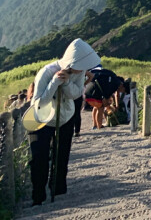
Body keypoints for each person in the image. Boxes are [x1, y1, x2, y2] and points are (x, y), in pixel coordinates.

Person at [27, 38, 101, 206]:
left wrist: (66, 82)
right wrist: (55, 82)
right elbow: (39, 103)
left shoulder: (79, 72)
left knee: (62, 153)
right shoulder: (46, 72)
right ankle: (38, 195)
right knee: (39, 157)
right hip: (41, 119)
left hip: (65, 116)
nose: (82, 70)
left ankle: (58, 188)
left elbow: (75, 94)